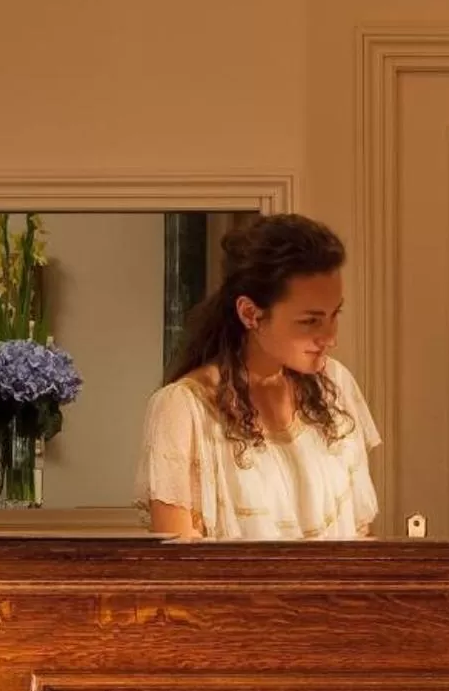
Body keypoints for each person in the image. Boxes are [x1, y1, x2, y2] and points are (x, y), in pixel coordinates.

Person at [137, 213, 379, 540]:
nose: (330, 338)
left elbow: (360, 535)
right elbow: (178, 562)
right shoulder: (183, 409)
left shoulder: (335, 386)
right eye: (310, 321)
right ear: (250, 313)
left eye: (334, 315)